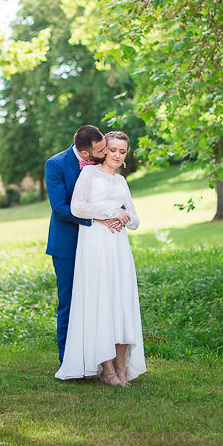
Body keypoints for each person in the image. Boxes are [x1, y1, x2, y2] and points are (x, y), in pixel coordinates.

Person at [55, 131, 146, 386]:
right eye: (113, 149)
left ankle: (121, 368)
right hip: (95, 244)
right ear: (104, 150)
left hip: (118, 247)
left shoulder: (122, 182)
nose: (117, 155)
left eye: (122, 152)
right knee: (102, 301)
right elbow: (76, 207)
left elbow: (135, 220)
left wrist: (123, 218)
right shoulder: (89, 174)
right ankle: (107, 370)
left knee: (121, 304)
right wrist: (110, 211)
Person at [45, 125, 124, 364]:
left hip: (97, 244)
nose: (106, 153)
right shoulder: (55, 164)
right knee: (69, 304)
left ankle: (96, 359)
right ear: (85, 153)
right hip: (67, 244)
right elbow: (60, 209)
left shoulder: (100, 161)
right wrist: (97, 218)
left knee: (97, 301)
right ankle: (68, 363)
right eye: (101, 150)